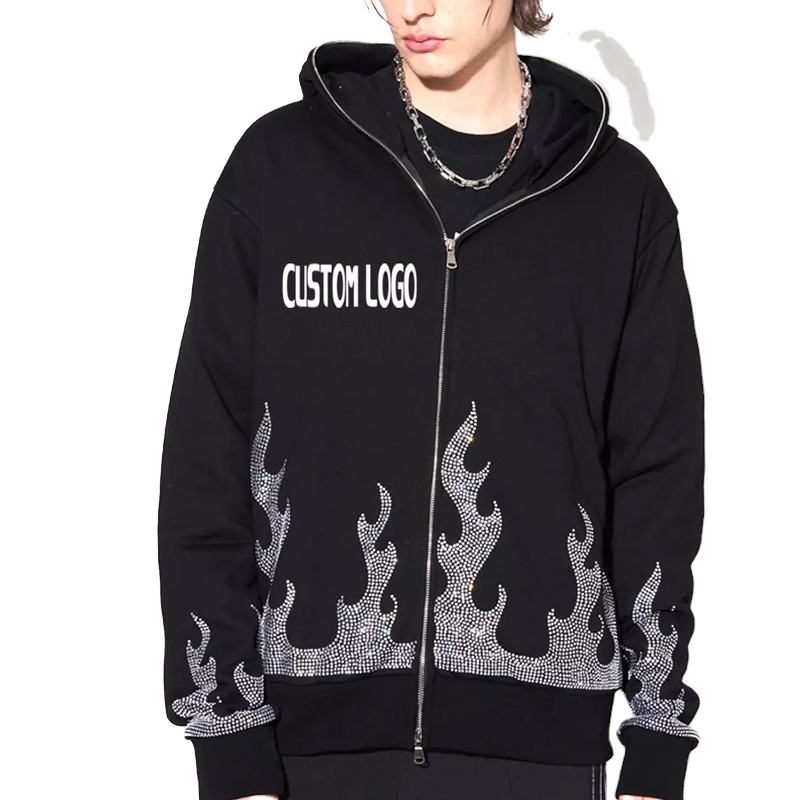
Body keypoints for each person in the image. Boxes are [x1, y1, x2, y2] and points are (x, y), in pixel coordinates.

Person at [157, 2, 705, 800]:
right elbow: (207, 456)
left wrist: (657, 742)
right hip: (300, 755)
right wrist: (225, 738)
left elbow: (657, 478)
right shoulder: (279, 174)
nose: (411, 7)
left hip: (541, 759)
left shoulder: (619, 202)